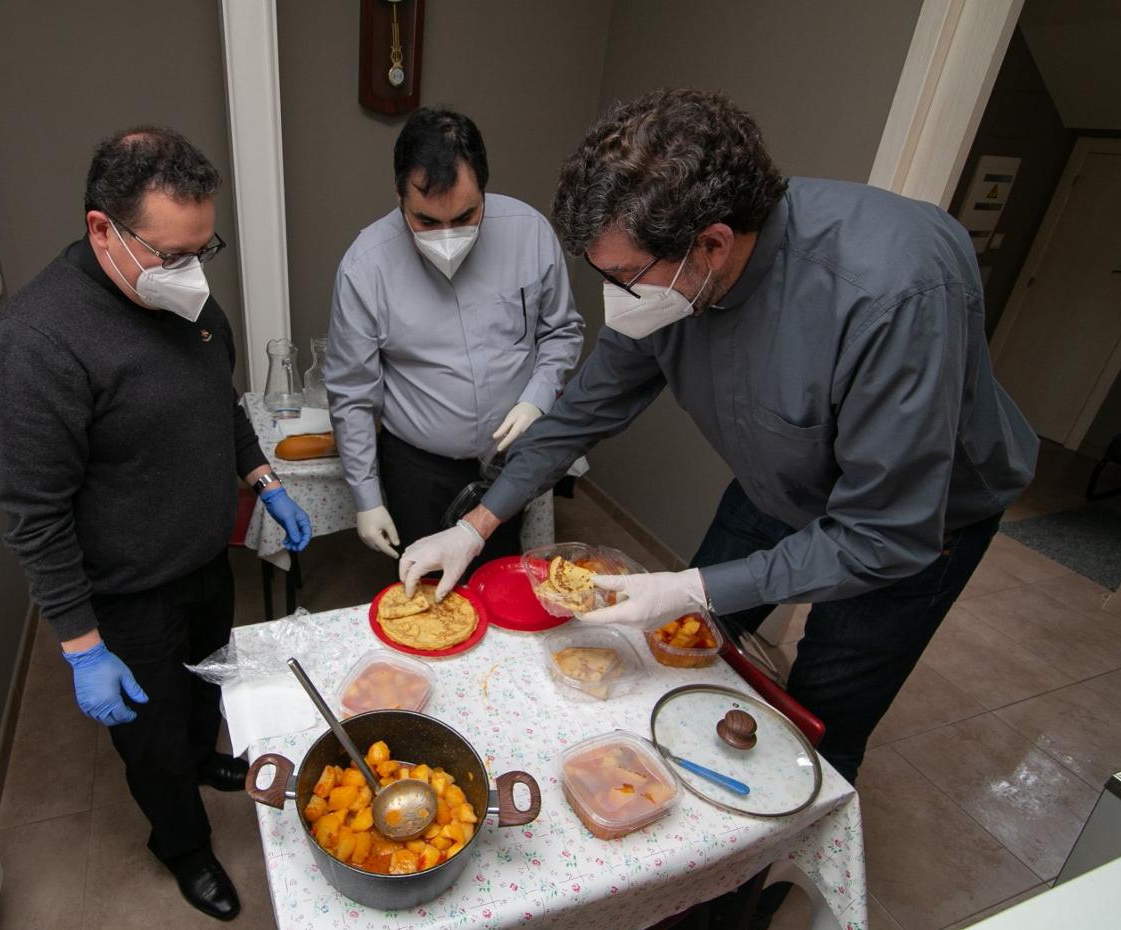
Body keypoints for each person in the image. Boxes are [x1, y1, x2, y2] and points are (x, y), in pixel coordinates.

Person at [399, 89, 1038, 784]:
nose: (613, 294)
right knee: (688, 653)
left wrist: (694, 584)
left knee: (816, 718)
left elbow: (883, 533)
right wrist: (478, 521)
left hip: (914, 528)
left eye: (621, 276)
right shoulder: (670, 282)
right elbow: (583, 411)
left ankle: (753, 879)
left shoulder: (894, 292)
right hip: (776, 481)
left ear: (711, 245)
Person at [0, 127, 311, 922]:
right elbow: (35, 516)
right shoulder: (34, 345)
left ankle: (205, 756)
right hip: (125, 595)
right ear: (103, 230)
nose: (192, 271)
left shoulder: (186, 299)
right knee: (151, 741)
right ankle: (184, 846)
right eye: (171, 254)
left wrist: (262, 479)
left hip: (202, 562)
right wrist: (82, 647)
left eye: (205, 247)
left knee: (204, 691)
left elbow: (218, 404)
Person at [326, 107, 583, 571]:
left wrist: (537, 398)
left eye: (466, 215)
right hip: (419, 467)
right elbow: (352, 393)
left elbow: (562, 331)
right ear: (399, 196)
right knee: (426, 604)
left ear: (484, 190)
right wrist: (366, 496)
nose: (447, 236)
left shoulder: (530, 233)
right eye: (425, 221)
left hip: (510, 459)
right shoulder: (365, 267)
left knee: (500, 578)